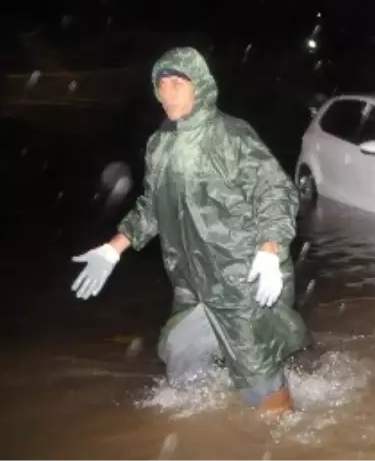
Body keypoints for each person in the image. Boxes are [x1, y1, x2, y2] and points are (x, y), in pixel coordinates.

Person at [70, 47, 308, 413]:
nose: (168, 93)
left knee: (258, 374)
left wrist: (270, 248)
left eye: (178, 84)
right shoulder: (159, 144)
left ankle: (286, 436)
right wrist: (111, 249)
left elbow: (274, 191)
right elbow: (151, 206)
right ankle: (205, 433)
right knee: (183, 358)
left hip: (242, 278)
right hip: (192, 284)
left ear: (201, 88)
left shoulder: (230, 135)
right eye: (161, 85)